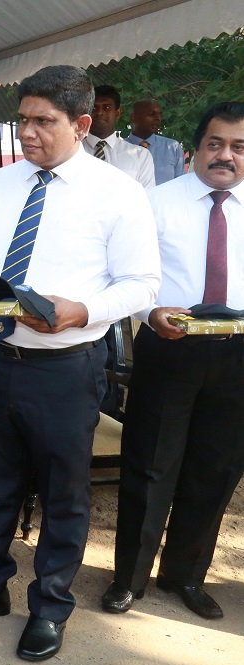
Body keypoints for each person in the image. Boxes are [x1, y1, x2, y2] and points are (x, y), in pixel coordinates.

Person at [0, 65, 160, 662]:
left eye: (43, 122)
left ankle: (50, 606)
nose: (27, 133)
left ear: (82, 125)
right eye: (22, 120)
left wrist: (81, 310)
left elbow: (142, 285)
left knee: (63, 494)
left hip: (66, 369)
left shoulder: (118, 194)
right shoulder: (1, 186)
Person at [101, 102, 244, 621]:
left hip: (238, 355)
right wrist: (149, 309)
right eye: (215, 143)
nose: (225, 155)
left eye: (238, 147)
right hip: (170, 345)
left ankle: (185, 575)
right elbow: (127, 275)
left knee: (217, 469)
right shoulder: (155, 202)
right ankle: (129, 579)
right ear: (195, 147)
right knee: (150, 464)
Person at [83, 84, 155, 189]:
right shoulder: (71, 152)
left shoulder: (140, 156)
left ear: (118, 113)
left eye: (107, 107)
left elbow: (147, 197)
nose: (100, 112)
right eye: (94, 108)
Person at [125, 98, 187, 185]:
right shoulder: (118, 149)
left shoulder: (173, 147)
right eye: (151, 114)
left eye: (160, 115)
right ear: (134, 117)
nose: (158, 118)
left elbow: (180, 185)